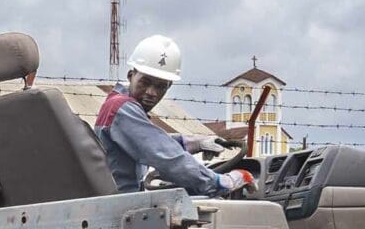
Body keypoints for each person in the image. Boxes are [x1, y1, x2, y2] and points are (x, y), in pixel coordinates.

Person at [95, 35, 256, 198]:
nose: (151, 92)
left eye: (160, 87)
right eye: (145, 82)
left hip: (121, 202)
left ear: (168, 87)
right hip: (119, 207)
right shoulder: (122, 109)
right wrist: (221, 182)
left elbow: (155, 143)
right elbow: (166, 157)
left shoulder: (118, 106)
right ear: (131, 75)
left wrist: (196, 143)